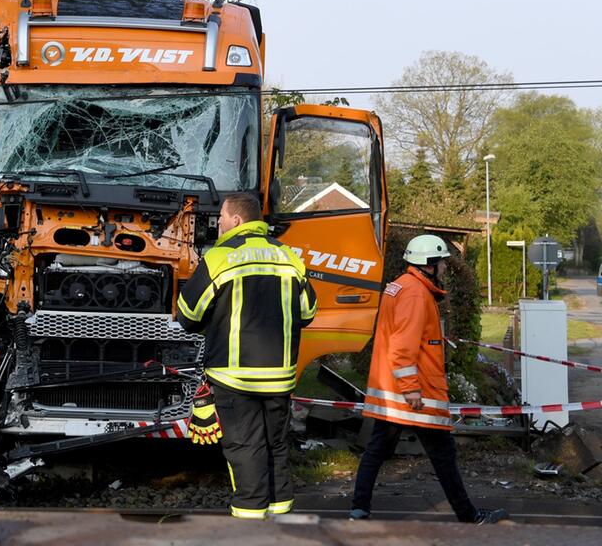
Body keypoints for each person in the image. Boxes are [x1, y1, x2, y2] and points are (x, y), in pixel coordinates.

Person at [349, 234, 508, 524]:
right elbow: (402, 346)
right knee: (443, 455)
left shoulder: (402, 286)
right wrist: (411, 389)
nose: (446, 268)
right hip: (415, 395)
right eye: (443, 262)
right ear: (429, 265)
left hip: (393, 392)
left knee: (377, 450)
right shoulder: (415, 294)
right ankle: (469, 516)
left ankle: (359, 510)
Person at [177, 192, 316, 519]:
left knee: (246, 450)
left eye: (222, 217)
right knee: (276, 447)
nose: (219, 223)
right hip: (280, 377)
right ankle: (281, 517)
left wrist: (217, 320)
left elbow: (187, 315)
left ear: (237, 220)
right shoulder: (289, 257)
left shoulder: (219, 257)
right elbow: (307, 312)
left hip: (233, 377)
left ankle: (250, 528)